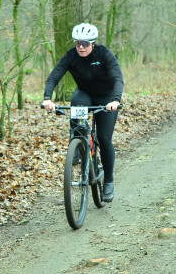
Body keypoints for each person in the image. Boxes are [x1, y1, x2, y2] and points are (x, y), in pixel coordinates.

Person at [42, 23, 123, 202]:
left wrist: (115, 100)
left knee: (104, 138)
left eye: (85, 43)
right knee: (77, 110)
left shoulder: (103, 53)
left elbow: (118, 77)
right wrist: (47, 98)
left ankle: (108, 180)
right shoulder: (71, 55)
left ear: (92, 43)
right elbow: (54, 76)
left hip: (106, 97)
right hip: (85, 94)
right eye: (78, 43)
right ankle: (77, 144)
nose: (81, 47)